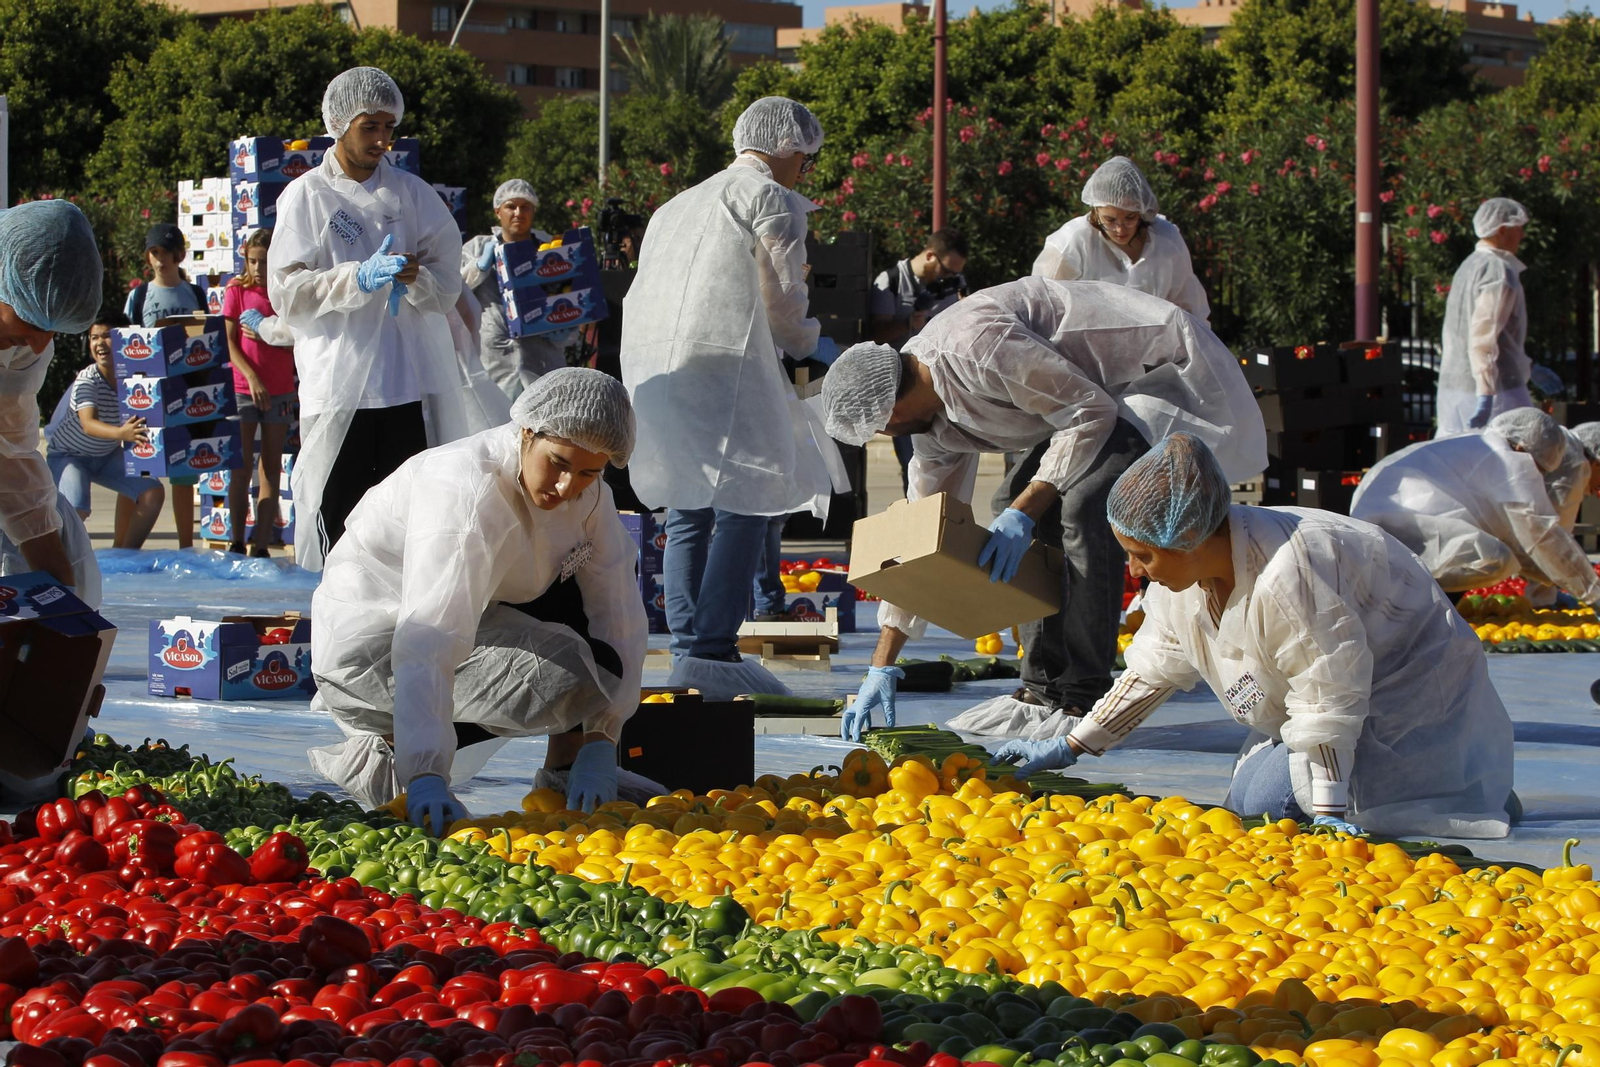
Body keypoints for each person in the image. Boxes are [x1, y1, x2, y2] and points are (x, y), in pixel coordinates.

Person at [994, 433, 1515, 840]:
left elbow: (1328, 692)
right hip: (1340, 690)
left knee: (1269, 804)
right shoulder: (1189, 577)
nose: (1134, 570)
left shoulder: (1289, 575)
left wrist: (1329, 813)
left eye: (1143, 556)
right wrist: (1072, 745)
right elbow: (1153, 670)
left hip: (1406, 694)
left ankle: (1446, 782)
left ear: (1189, 537)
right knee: (1247, 802)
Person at [821, 278, 1266, 740]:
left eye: (880, 429)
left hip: (1153, 377)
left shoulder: (975, 348)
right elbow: (919, 544)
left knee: (1084, 506)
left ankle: (1084, 692)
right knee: (1011, 503)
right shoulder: (933, 427)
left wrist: (1025, 511)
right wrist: (882, 664)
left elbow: (1090, 412)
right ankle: (1041, 687)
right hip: (1091, 400)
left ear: (891, 414)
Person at [305, 369, 647, 830]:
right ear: (526, 433)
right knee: (568, 679)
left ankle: (565, 767)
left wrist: (603, 737)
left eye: (589, 472)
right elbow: (429, 636)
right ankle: (387, 745)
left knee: (599, 662)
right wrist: (426, 772)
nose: (568, 486)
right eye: (559, 463)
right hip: (375, 648)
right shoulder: (463, 491)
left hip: (477, 616)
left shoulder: (588, 499)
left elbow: (618, 610)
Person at [621, 96, 845, 699]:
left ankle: (688, 648)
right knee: (751, 497)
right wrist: (813, 344)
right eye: (807, 160)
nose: (805, 172)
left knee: (687, 505)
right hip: (728, 369)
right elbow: (784, 299)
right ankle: (712, 650)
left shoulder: (676, 204)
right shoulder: (769, 198)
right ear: (789, 150)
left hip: (657, 370)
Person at [269, 66, 468, 571]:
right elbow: (287, 293)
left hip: (405, 384)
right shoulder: (308, 196)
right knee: (340, 518)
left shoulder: (412, 194)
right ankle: (341, 614)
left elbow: (447, 277)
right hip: (339, 387)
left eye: (389, 127)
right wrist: (354, 279)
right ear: (339, 124)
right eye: (369, 127)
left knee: (406, 520)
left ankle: (398, 615)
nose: (382, 140)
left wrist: (417, 276)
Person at [1350, 408, 1600, 609]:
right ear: (1523, 449)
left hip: (1376, 517)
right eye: (1540, 470)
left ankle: (1415, 606)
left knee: (1494, 552)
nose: (1538, 478)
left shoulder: (1478, 444)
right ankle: (1412, 608)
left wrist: (1559, 577)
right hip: (1401, 524)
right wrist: (1593, 593)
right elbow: (1542, 537)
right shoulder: (1511, 461)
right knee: (1494, 558)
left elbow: (1524, 547)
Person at [0, 199, 104, 604]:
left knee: (70, 562)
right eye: (30, 323)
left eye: (53, 332)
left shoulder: (21, 347)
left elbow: (11, 457)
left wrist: (59, 594)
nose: (40, 343)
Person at [42, 310, 166, 549]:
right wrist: (122, 434)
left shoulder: (137, 378)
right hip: (69, 456)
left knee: (153, 492)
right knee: (76, 508)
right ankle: (56, 559)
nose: (99, 343)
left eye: (107, 336)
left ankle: (126, 555)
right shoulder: (87, 379)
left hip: (107, 455)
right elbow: (88, 424)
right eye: (94, 337)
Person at [1032, 157, 1210, 321]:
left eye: (1130, 218)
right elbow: (1045, 302)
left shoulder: (1166, 239)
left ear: (1141, 211)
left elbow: (1190, 305)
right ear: (1096, 210)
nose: (1120, 229)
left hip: (1154, 342)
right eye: (1110, 220)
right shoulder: (1072, 241)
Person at [126, 222, 208, 550]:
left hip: (186, 393)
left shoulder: (195, 294)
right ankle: (126, 547)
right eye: (155, 252)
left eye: (167, 253)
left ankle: (186, 547)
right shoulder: (139, 296)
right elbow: (126, 344)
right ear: (148, 256)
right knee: (139, 473)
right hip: (146, 396)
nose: (161, 260)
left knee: (183, 475)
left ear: (180, 256)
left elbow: (206, 340)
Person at [460, 180, 580, 400]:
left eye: (525, 207)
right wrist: (479, 266)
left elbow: (575, 298)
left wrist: (566, 332)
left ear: (533, 211)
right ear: (498, 211)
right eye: (511, 206)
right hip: (494, 362)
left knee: (544, 417)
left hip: (543, 359)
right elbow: (452, 290)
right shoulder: (477, 248)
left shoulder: (552, 250)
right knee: (494, 419)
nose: (518, 213)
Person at [222, 230, 297, 556]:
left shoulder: (285, 291)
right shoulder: (236, 290)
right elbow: (228, 343)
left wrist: (271, 335)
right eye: (252, 261)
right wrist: (251, 377)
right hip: (243, 389)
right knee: (239, 467)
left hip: (279, 390)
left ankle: (263, 544)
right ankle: (237, 541)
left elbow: (300, 338)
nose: (257, 268)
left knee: (270, 468)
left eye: (264, 262)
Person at [1436, 197, 1533, 434]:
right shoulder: (1498, 270)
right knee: (1512, 452)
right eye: (1518, 228)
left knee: (1456, 454)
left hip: (1454, 389)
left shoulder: (1469, 265)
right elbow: (1484, 334)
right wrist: (1485, 391)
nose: (1522, 235)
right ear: (1502, 230)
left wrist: (1527, 365)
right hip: (1496, 390)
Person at [870, 230, 969, 349]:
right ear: (930, 256)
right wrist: (907, 324)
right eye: (946, 271)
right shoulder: (891, 281)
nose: (950, 277)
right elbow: (876, 335)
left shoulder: (956, 282)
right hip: (900, 358)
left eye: (955, 274)